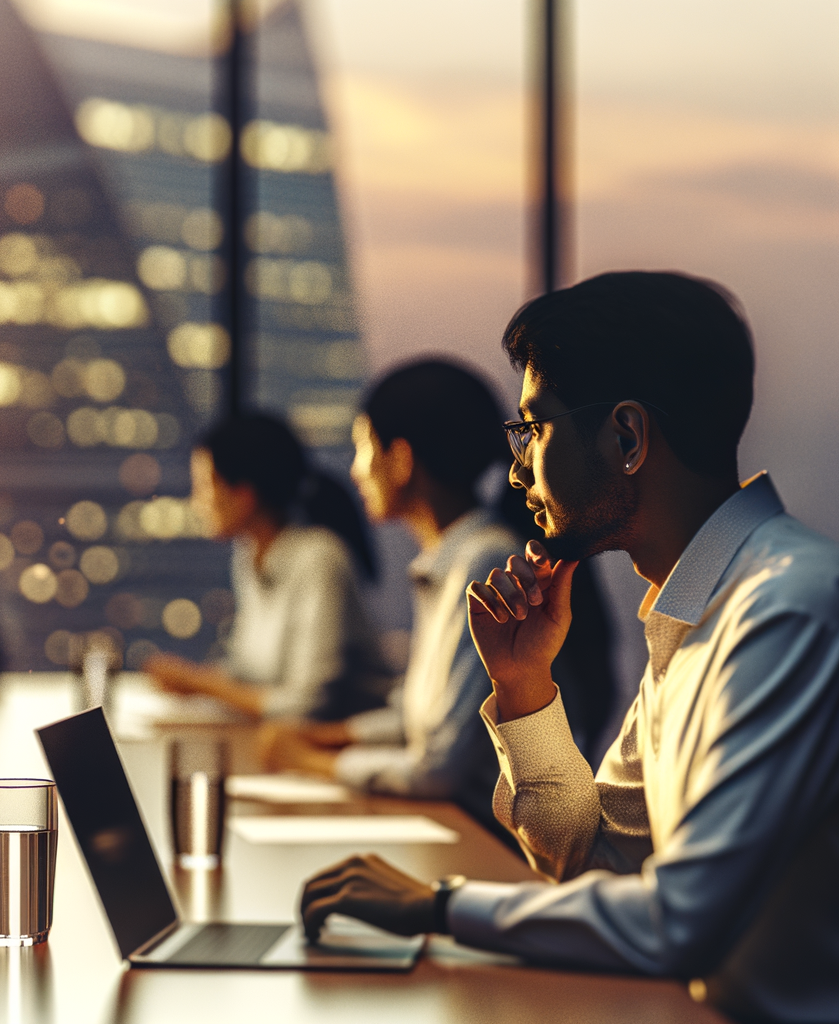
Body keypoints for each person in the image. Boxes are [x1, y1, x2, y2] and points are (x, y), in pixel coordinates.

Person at [298, 272, 839, 1024]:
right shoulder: (698, 608)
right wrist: (524, 690)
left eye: (535, 430)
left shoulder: (784, 608)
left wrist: (439, 906)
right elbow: (589, 858)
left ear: (627, 438)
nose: (516, 468)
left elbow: (678, 922)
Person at [262, 361, 614, 837]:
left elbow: (438, 766)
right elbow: (423, 719)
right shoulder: (446, 560)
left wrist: (309, 761)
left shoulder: (483, 560)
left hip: (491, 839)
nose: (355, 469)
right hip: (457, 827)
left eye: (364, 447)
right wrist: (327, 737)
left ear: (401, 460)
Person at [147, 413, 390, 721]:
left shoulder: (320, 559)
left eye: (205, 487)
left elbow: (309, 704)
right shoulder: (248, 555)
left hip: (342, 740)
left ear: (244, 495)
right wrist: (192, 680)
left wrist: (199, 683)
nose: (197, 503)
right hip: (282, 738)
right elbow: (248, 670)